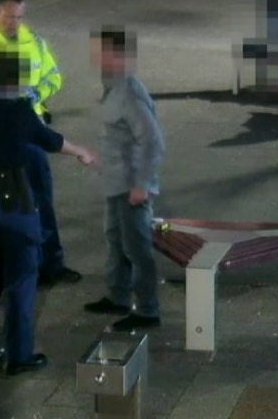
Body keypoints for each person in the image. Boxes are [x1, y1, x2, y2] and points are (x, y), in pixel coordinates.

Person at [0, 50, 96, 374]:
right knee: (21, 279)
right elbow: (49, 139)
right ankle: (19, 356)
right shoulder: (19, 109)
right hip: (13, 201)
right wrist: (82, 153)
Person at [0, 0, 82, 286]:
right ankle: (8, 267)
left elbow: (53, 77)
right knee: (5, 205)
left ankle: (50, 263)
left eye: (19, 17)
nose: (14, 23)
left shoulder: (34, 43)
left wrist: (34, 95)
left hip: (30, 127)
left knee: (41, 200)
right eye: (8, 17)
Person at [83, 27, 166, 332]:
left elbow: (153, 141)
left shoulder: (129, 93)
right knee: (116, 239)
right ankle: (118, 295)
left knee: (137, 247)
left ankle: (147, 310)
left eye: (100, 51)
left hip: (132, 187)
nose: (94, 57)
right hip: (116, 182)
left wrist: (141, 184)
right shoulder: (112, 86)